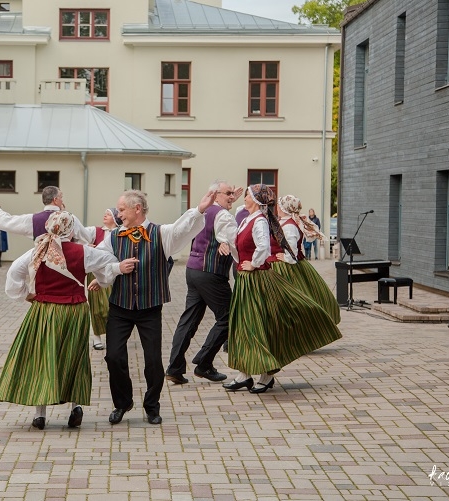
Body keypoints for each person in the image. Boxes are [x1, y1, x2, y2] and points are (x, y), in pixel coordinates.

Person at [95, 189, 216, 426]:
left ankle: (152, 406)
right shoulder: (112, 237)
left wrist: (199, 210)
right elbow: (99, 262)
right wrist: (117, 268)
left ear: (136, 209)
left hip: (150, 307)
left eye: (121, 210)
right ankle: (122, 403)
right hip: (120, 306)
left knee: (152, 360)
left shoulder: (161, 233)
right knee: (113, 356)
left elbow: (183, 228)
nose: (118, 214)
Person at [0, 211, 119, 429]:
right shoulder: (83, 252)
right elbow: (109, 261)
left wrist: (26, 294)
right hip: (75, 311)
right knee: (75, 356)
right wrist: (101, 280)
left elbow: (14, 273)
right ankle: (75, 407)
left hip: (45, 312)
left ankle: (40, 415)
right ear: (71, 230)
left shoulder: (38, 250)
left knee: (43, 357)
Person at [223, 185, 341, 394]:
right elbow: (239, 243)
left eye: (248, 195)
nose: (245, 197)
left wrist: (254, 263)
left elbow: (263, 248)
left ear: (257, 200)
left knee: (257, 325)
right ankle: (244, 374)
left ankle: (266, 374)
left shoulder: (259, 220)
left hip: (257, 280)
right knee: (243, 325)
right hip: (245, 280)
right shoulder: (246, 219)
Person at [166, 182, 242, 385]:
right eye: (228, 193)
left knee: (189, 319)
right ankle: (204, 362)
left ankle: (174, 368)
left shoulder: (201, 211)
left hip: (193, 269)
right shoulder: (223, 216)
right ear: (215, 195)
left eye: (233, 194)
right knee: (230, 317)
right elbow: (235, 242)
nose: (232, 197)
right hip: (211, 272)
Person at [273, 195, 341, 326]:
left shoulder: (289, 226)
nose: (277, 207)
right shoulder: (284, 221)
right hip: (285, 264)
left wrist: (286, 257)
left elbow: (292, 248)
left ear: (284, 208)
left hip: (288, 267)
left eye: (279, 204)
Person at [0, 186, 93, 243]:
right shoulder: (71, 218)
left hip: (42, 267)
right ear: (55, 200)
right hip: (68, 267)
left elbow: (7, 221)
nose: (62, 200)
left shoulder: (33, 219)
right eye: (61, 197)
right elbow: (86, 238)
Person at [82, 208, 122, 350]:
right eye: (104, 213)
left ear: (116, 218)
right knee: (96, 307)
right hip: (95, 272)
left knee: (110, 307)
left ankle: (113, 336)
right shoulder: (95, 231)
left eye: (109, 214)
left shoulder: (121, 232)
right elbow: (76, 235)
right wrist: (85, 246)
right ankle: (96, 337)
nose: (104, 215)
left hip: (114, 271)